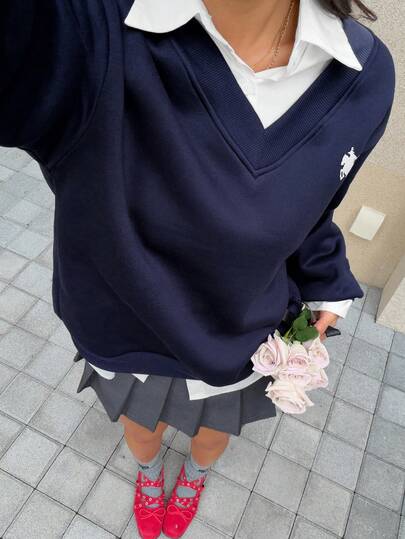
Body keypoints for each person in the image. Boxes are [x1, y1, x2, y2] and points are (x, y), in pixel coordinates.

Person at [0, 0, 395, 537]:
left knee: (213, 433)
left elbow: (315, 212)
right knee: (141, 425)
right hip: (127, 333)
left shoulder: (363, 73)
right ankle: (148, 474)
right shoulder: (87, 30)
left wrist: (326, 289)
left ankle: (193, 477)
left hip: (243, 336)